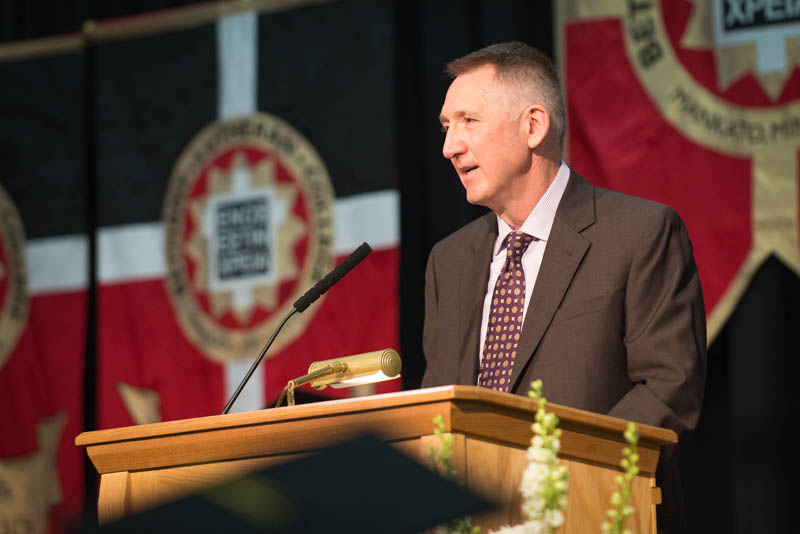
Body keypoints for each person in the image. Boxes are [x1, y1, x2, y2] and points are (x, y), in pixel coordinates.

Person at [421, 41, 706, 534]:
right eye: (447, 127)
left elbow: (667, 389)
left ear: (533, 126)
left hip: (597, 512)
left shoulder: (638, 233)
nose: (449, 146)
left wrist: (552, 482)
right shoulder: (448, 261)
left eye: (468, 121)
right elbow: (438, 409)